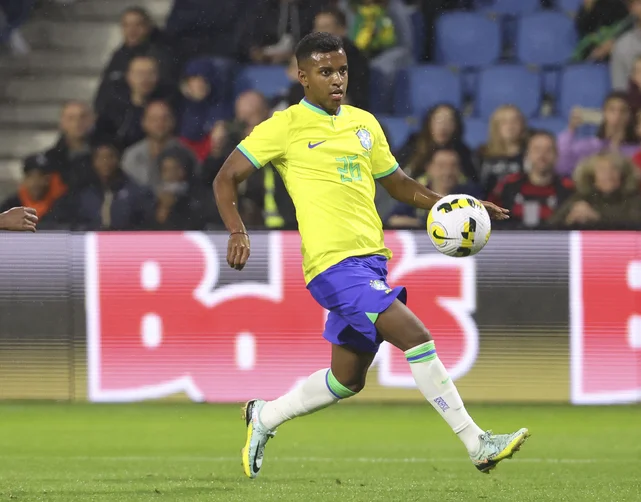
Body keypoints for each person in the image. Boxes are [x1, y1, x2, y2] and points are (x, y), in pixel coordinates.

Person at [212, 32, 526, 479]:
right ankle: (478, 443)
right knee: (416, 336)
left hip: (370, 262)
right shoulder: (284, 127)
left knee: (346, 379)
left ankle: (263, 416)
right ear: (303, 77)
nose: (336, 79)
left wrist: (455, 205)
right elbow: (225, 178)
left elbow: (399, 185)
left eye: (341, 70)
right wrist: (237, 230)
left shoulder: (364, 123)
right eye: (325, 72)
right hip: (332, 266)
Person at [488, 131, 574, 229]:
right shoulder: (508, 185)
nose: (542, 155)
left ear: (556, 155)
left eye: (548, 150)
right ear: (527, 154)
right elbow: (490, 215)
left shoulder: (568, 188)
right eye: (537, 150)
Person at [387, 147, 480, 228]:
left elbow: (483, 223)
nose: (447, 172)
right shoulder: (416, 193)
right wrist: (424, 224)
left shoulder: (470, 195)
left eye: (453, 166)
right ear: (429, 168)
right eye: (441, 166)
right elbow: (392, 220)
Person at [550, 152, 641, 229]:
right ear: (592, 177)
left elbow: (634, 224)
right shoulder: (581, 197)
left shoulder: (634, 197)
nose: (609, 174)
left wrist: (596, 218)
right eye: (602, 170)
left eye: (614, 169)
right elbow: (550, 224)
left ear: (622, 174)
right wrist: (569, 220)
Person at [557, 91, 639, 177]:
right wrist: (571, 129)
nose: (617, 116)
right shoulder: (590, 145)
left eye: (623, 111)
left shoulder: (636, 151)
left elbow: (629, 179)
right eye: (612, 110)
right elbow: (562, 167)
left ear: (629, 116)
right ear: (604, 113)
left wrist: (615, 146)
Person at [398, 104, 476, 181]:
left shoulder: (463, 153)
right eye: (438, 120)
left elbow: (472, 183)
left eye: (449, 121)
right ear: (429, 123)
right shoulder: (413, 145)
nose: (443, 126)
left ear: (456, 126)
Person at [476, 105, 528, 197]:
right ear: (495, 126)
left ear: (522, 125)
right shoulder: (481, 154)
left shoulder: (530, 153)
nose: (510, 126)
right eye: (504, 122)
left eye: (515, 121)